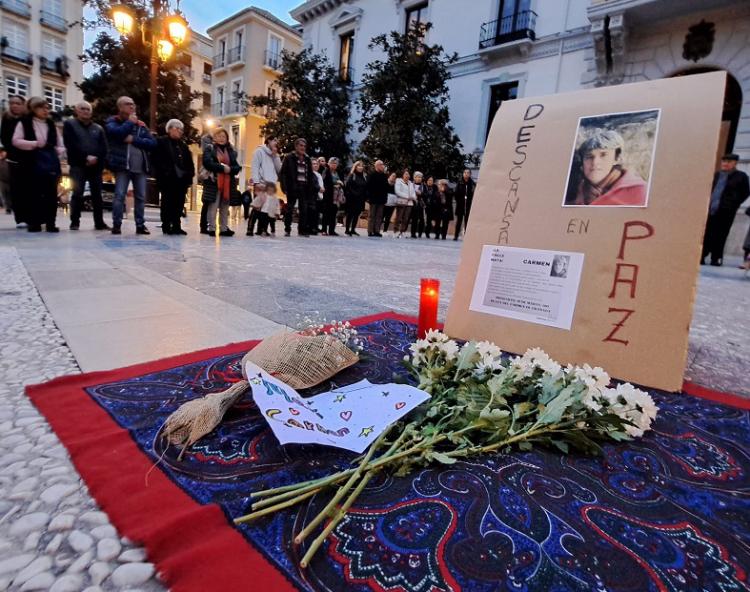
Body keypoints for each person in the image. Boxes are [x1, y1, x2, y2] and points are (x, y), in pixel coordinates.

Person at [12, 97, 65, 232]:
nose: (46, 110)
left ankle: (50, 223)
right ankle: (34, 222)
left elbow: (61, 145)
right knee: (34, 194)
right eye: (42, 107)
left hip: (50, 164)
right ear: (34, 108)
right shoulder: (24, 123)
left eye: (47, 107)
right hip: (31, 164)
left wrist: (55, 151)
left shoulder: (51, 124)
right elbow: (16, 141)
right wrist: (34, 144)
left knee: (51, 195)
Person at [105, 96, 156, 235]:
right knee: (119, 195)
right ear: (120, 107)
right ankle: (117, 225)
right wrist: (129, 123)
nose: (132, 107)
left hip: (140, 167)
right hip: (123, 166)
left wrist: (134, 139)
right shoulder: (113, 122)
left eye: (133, 104)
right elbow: (116, 134)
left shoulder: (141, 125)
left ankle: (140, 225)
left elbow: (152, 143)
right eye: (128, 104)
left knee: (140, 197)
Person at [565, 130, 647, 206]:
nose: (595, 162)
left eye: (603, 155)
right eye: (589, 156)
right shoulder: (573, 190)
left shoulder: (640, 191)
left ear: (616, 158)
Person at [63, 101, 109, 231]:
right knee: (77, 193)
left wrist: (97, 158)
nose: (85, 111)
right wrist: (85, 157)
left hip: (96, 167)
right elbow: (70, 144)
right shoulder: (70, 124)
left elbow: (103, 147)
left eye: (88, 109)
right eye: (82, 109)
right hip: (78, 165)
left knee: (97, 195)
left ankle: (99, 222)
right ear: (77, 111)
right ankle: (75, 222)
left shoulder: (98, 128)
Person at [702, 153, 750, 266]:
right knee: (708, 233)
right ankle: (702, 256)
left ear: (734, 163)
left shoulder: (741, 176)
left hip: (726, 210)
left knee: (721, 234)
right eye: (723, 161)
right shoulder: (717, 174)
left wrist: (734, 203)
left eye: (728, 162)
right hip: (712, 208)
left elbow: (746, 192)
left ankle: (716, 258)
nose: (725, 164)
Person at [153, 119, 194, 235]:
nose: (180, 132)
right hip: (168, 179)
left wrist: (189, 177)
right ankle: (166, 225)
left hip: (181, 180)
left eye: (181, 130)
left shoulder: (183, 146)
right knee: (167, 202)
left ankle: (176, 225)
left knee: (179, 203)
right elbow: (156, 159)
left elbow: (189, 163)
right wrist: (165, 171)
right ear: (170, 129)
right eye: (178, 129)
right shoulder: (161, 142)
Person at [202, 127, 240, 237]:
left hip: (228, 183)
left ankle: (224, 228)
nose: (221, 138)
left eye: (224, 136)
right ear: (214, 137)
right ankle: (212, 228)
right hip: (214, 181)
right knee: (213, 205)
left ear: (227, 138)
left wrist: (230, 169)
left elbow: (236, 167)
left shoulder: (230, 151)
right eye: (219, 136)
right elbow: (207, 162)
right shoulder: (210, 148)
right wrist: (222, 168)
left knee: (225, 206)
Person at [280, 138, 317, 237]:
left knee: (304, 209)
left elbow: (310, 174)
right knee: (289, 209)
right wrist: (284, 187)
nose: (303, 148)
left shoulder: (307, 158)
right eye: (301, 146)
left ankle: (302, 230)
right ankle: (287, 229)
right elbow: (283, 173)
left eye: (304, 146)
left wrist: (311, 187)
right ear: (296, 146)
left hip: (304, 187)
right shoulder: (289, 157)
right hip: (293, 187)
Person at [1, 95, 27, 227]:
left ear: (23, 105)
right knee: (16, 189)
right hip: (13, 158)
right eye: (12, 103)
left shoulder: (27, 119)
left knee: (29, 188)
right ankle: (20, 218)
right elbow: (5, 139)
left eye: (17, 103)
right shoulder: (6, 119)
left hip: (28, 158)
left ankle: (31, 216)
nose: (14, 106)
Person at [248, 136, 282, 233]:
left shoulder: (276, 155)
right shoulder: (259, 151)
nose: (276, 142)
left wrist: (275, 156)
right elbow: (254, 166)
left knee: (267, 209)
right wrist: (256, 182)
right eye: (274, 140)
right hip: (261, 183)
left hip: (271, 186)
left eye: (277, 140)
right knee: (257, 207)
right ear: (268, 141)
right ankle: (250, 228)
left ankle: (262, 229)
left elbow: (279, 170)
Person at [366, 160, 389, 237]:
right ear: (377, 166)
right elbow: (368, 187)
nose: (383, 166)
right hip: (373, 198)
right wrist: (369, 197)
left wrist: (385, 198)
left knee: (379, 216)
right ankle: (370, 231)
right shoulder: (371, 175)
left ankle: (377, 231)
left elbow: (386, 188)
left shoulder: (384, 176)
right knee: (372, 216)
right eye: (382, 165)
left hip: (381, 199)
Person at [344, 161, 367, 236]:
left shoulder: (364, 176)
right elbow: (348, 185)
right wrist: (354, 193)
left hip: (360, 199)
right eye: (359, 166)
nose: (361, 167)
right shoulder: (352, 174)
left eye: (362, 166)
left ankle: (353, 229)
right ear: (355, 167)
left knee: (357, 214)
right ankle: (347, 230)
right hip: (352, 198)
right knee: (350, 214)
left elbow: (364, 187)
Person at [198, 133, 214, 234]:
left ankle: (205, 225)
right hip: (209, 177)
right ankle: (204, 225)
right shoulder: (209, 148)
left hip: (209, 178)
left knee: (207, 203)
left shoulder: (208, 148)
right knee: (207, 203)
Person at [321, 157, 341, 236]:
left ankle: (332, 230)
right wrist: (334, 184)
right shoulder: (326, 171)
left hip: (335, 196)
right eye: (332, 163)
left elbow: (340, 181)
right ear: (329, 164)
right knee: (326, 213)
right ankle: (324, 230)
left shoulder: (337, 172)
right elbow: (324, 182)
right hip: (328, 195)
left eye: (335, 163)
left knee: (333, 213)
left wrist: (340, 184)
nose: (334, 165)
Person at [394, 169, 416, 238]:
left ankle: (402, 231)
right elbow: (397, 191)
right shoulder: (398, 181)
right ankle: (396, 231)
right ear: (402, 175)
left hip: (409, 203)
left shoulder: (411, 183)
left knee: (406, 218)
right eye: (406, 174)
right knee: (399, 217)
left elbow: (413, 192)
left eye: (408, 174)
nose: (407, 175)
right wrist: (407, 197)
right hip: (401, 202)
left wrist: (413, 197)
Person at [454, 169, 475, 239]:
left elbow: (474, 194)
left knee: (467, 222)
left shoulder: (472, 183)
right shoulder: (459, 182)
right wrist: (459, 201)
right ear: (463, 174)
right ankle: (456, 235)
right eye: (465, 173)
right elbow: (456, 193)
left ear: (470, 174)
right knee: (459, 221)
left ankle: (466, 236)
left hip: (468, 205)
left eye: (468, 173)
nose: (466, 174)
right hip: (460, 205)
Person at [410, 171, 426, 238]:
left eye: (420, 177)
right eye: (417, 177)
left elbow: (426, 194)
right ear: (414, 178)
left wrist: (421, 194)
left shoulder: (424, 186)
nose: (419, 178)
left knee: (421, 219)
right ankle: (413, 233)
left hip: (420, 204)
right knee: (414, 219)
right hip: (412, 203)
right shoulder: (411, 184)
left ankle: (420, 233)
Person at [311, 158, 325, 234]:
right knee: (313, 213)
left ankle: (315, 227)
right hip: (314, 195)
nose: (316, 165)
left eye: (316, 164)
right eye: (314, 164)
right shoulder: (310, 173)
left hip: (319, 196)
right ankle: (312, 228)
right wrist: (319, 189)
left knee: (317, 213)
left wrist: (322, 189)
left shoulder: (318, 174)